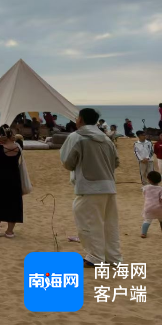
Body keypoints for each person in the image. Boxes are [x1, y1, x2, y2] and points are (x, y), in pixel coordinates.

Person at [60, 107, 121, 267]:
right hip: (109, 185)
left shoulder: (76, 136)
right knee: (109, 224)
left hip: (88, 186)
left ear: (80, 119)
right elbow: (116, 162)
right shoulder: (107, 139)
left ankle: (95, 257)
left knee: (88, 222)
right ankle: (113, 257)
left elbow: (67, 162)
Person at [140, 171, 162, 238]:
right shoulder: (161, 189)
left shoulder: (146, 187)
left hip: (148, 207)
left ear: (149, 179)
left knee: (147, 220)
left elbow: (144, 193)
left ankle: (143, 233)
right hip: (159, 208)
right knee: (161, 220)